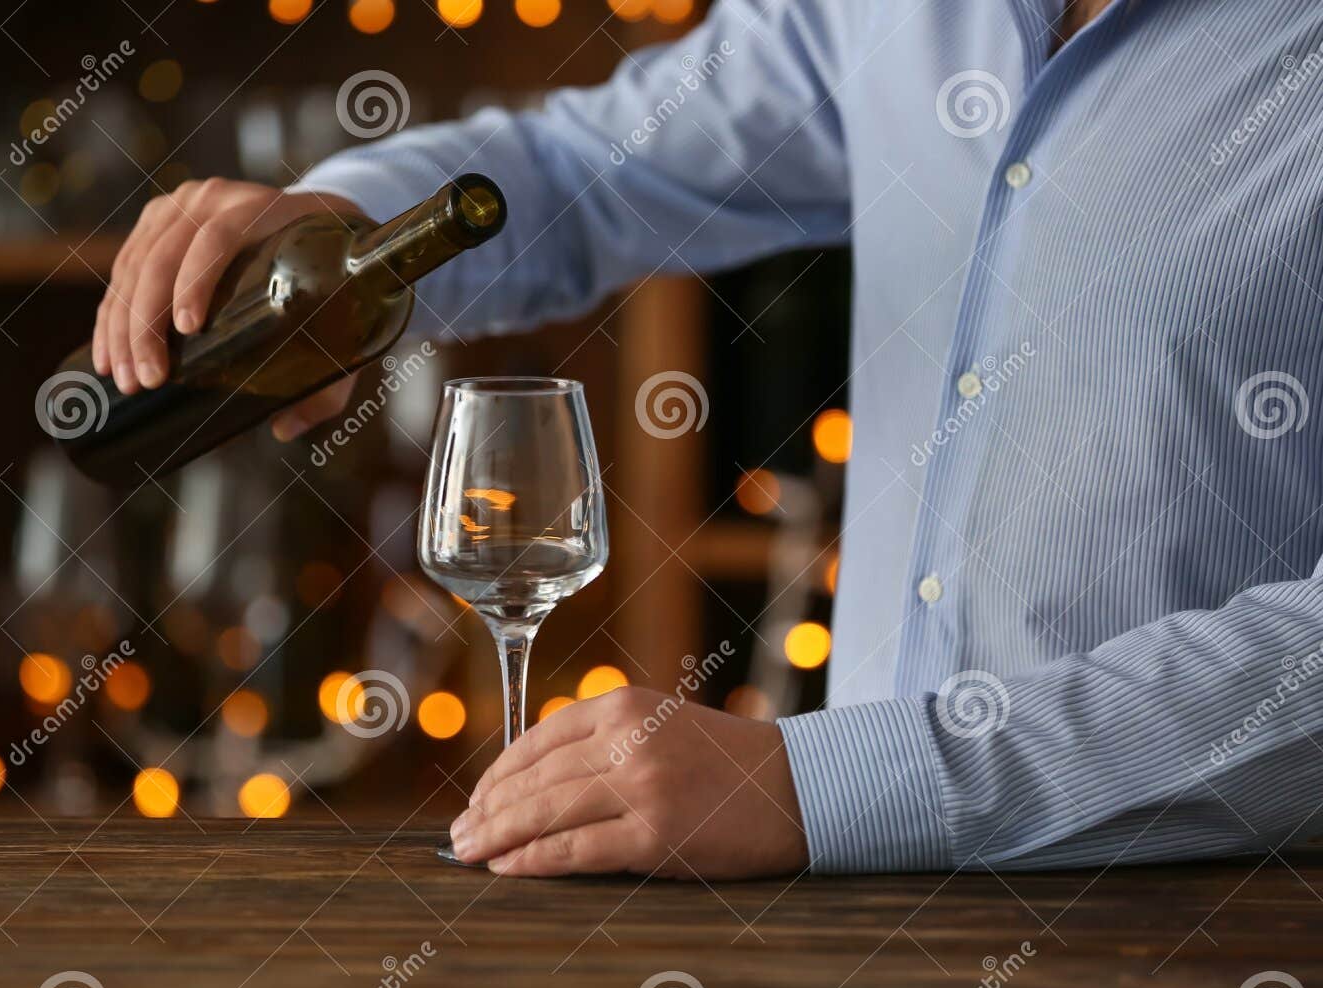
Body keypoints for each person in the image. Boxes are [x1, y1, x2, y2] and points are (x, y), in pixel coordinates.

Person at [93, 0, 1323, 878]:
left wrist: (826, 788)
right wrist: (350, 222)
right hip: (870, 948)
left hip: (1211, 947)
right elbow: (595, 166)